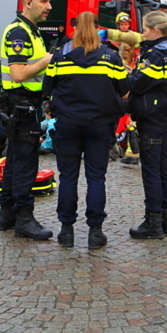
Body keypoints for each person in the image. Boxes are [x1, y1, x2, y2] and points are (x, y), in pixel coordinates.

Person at [43, 12, 128, 249]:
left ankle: (66, 231)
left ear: (76, 29)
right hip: (99, 125)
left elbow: (47, 88)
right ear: (96, 29)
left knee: (68, 177)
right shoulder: (110, 58)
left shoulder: (61, 57)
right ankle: (95, 233)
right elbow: (124, 88)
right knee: (96, 178)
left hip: (68, 124)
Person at [0, 0, 54, 241]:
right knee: (25, 162)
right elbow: (18, 73)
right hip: (20, 103)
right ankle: (24, 219)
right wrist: (47, 60)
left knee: (16, 160)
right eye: (44, 1)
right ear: (28, 2)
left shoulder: (32, 31)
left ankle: (7, 214)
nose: (49, 7)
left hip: (22, 104)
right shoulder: (19, 32)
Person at [126, 12, 167, 239]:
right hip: (166, 116)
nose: (142, 33)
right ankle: (166, 222)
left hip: (152, 118)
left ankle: (153, 224)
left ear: (154, 30)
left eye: (144, 28)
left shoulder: (156, 54)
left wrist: (127, 74)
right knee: (163, 170)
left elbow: (138, 83)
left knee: (151, 171)